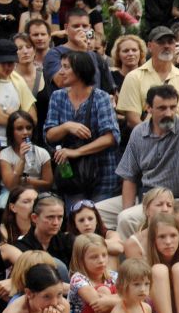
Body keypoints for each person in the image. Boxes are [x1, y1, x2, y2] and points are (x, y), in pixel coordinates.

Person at [99, 85, 179, 238]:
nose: (169, 113)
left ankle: (133, 252)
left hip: (176, 201)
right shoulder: (139, 132)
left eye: (173, 107)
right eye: (162, 108)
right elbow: (129, 176)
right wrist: (127, 208)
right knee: (95, 213)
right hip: (145, 197)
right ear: (148, 108)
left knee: (126, 219)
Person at [43, 50, 121, 204]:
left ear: (80, 70)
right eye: (61, 66)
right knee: (75, 214)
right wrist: (66, 126)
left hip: (102, 173)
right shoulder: (58, 96)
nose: (61, 72)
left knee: (99, 215)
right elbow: (49, 135)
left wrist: (76, 152)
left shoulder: (101, 97)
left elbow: (111, 137)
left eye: (66, 67)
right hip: (71, 175)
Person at [68, 233, 119, 313]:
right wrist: (117, 300)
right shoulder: (78, 278)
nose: (101, 260)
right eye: (94, 257)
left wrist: (113, 301)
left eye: (104, 255)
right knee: (103, 291)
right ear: (81, 260)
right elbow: (97, 302)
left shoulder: (113, 276)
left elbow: (134, 298)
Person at [0, 111, 52, 199]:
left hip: (37, 192)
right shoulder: (5, 154)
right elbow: (11, 186)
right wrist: (22, 159)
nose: (25, 132)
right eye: (19, 128)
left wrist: (25, 181)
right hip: (10, 193)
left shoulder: (42, 153)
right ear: (11, 131)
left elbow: (48, 184)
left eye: (29, 128)